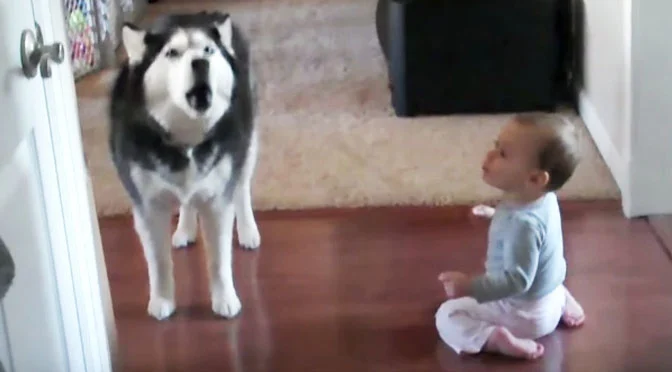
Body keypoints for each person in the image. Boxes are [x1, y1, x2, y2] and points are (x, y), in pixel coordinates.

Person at [435, 112, 586, 360]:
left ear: (535, 178)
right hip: (548, 294)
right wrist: (495, 217)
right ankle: (562, 303)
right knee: (547, 266)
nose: (490, 156)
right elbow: (536, 236)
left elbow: (516, 281)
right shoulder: (543, 198)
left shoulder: (523, 225)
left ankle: (494, 338)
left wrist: (471, 286)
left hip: (523, 314)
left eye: (503, 154)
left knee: (447, 315)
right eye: (496, 146)